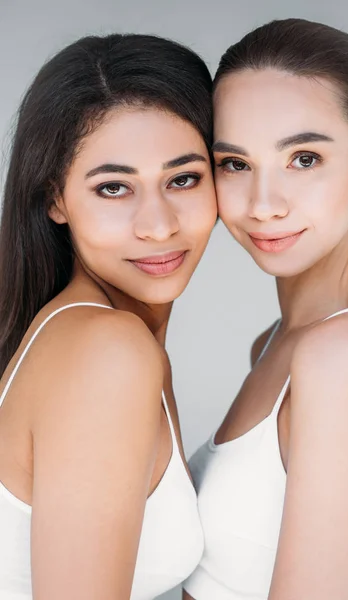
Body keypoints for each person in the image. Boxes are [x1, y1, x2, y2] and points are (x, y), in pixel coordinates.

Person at [184, 18, 348, 600]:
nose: (263, 204)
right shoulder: (279, 340)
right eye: (235, 163)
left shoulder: (346, 357)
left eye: (303, 159)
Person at [0, 33, 217, 600]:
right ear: (56, 199)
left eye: (184, 178)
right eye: (114, 187)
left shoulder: (95, 336)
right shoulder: (107, 352)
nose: (158, 223)